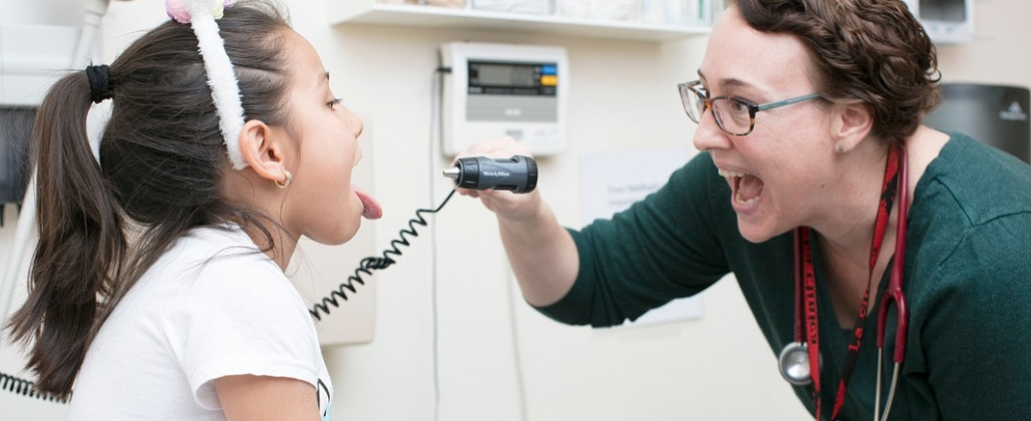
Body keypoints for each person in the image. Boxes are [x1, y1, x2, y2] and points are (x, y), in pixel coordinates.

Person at [456, 0, 1031, 420]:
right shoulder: (744, 189)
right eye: (705, 97)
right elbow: (588, 285)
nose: (705, 135)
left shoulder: (992, 259)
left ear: (851, 118)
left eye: (740, 105)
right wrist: (524, 214)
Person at [5, 1, 382, 419]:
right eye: (330, 102)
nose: (354, 122)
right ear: (266, 150)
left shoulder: (198, 273)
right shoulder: (241, 291)